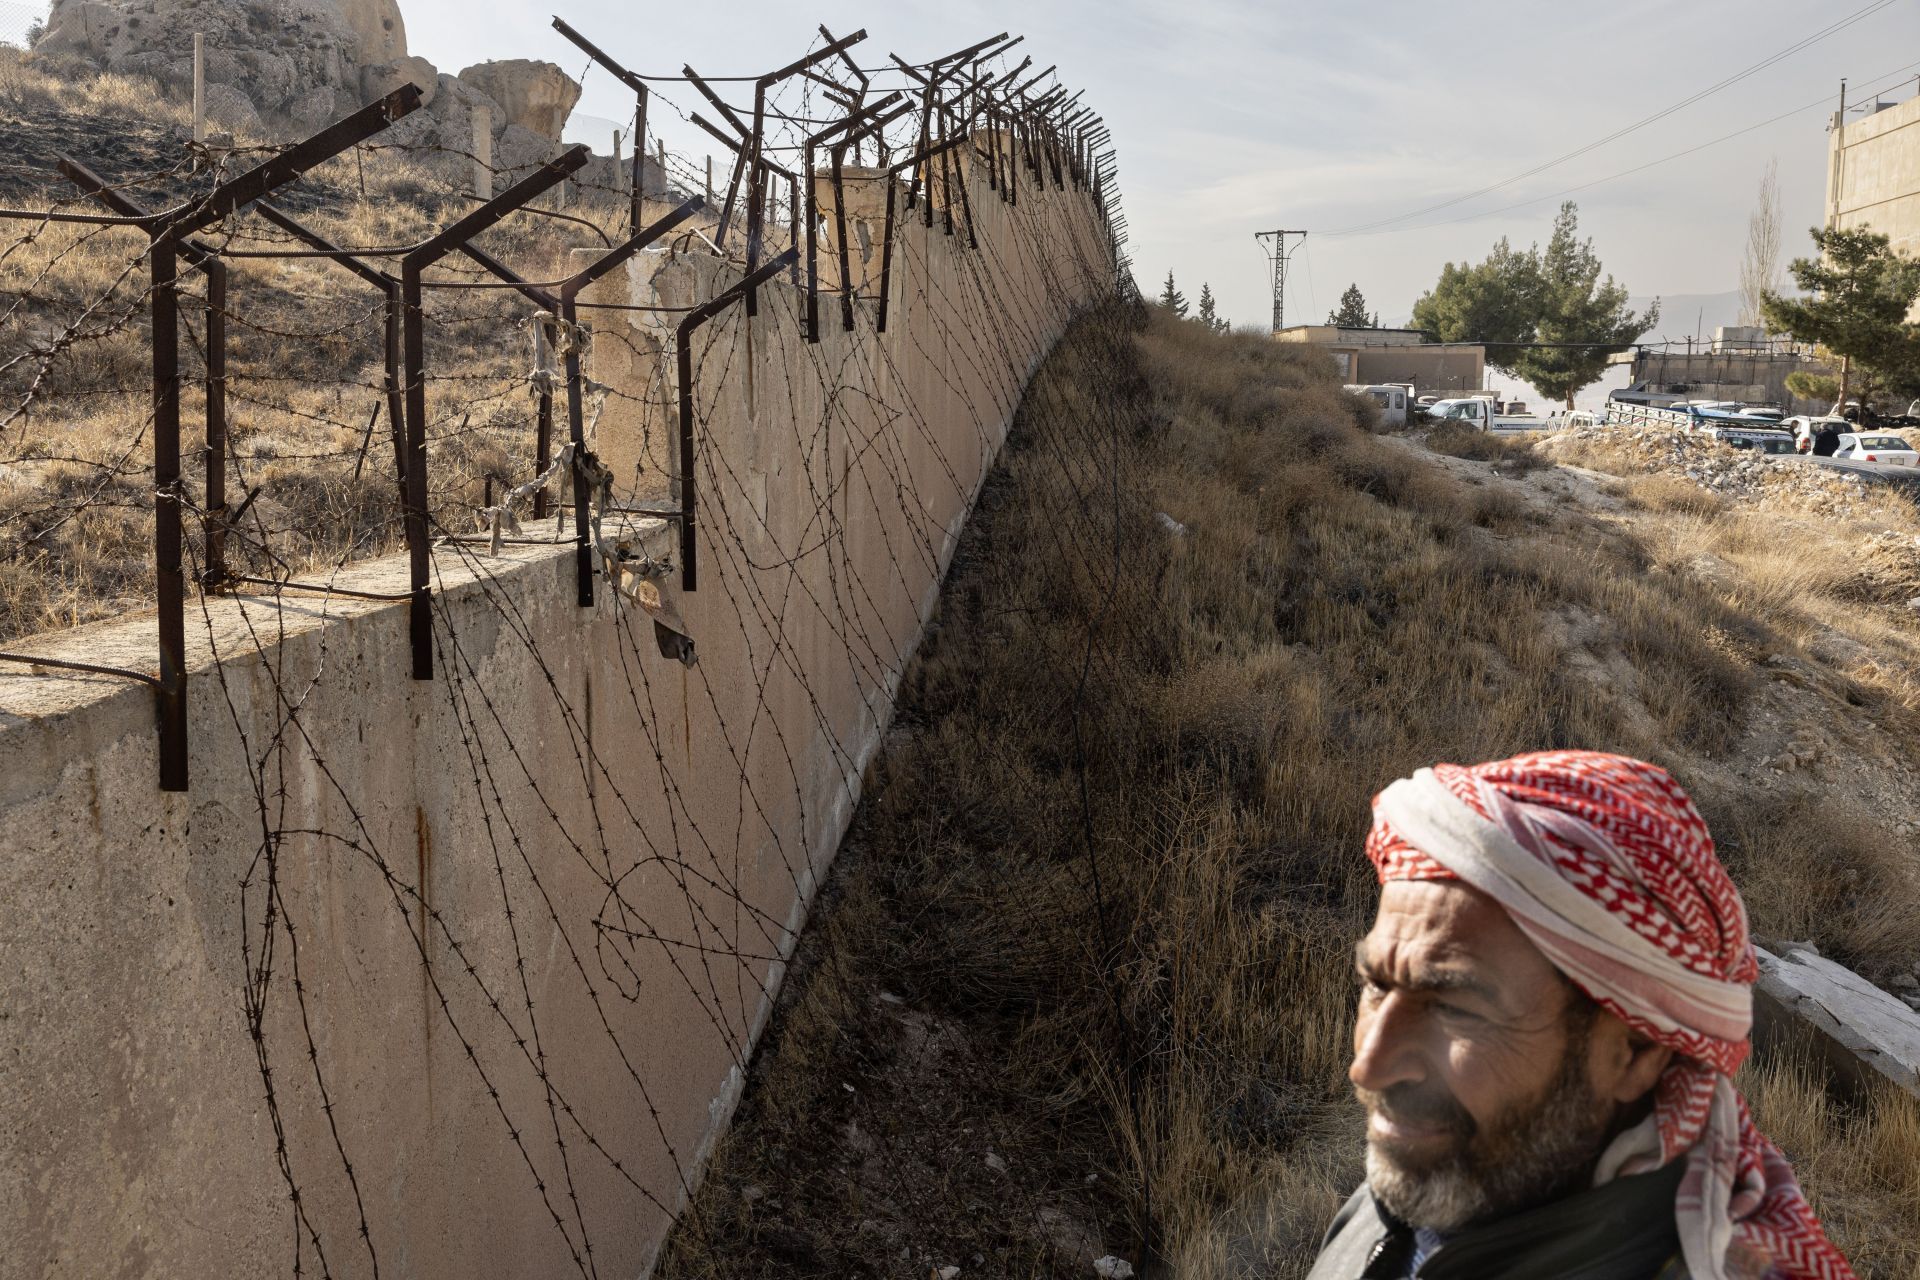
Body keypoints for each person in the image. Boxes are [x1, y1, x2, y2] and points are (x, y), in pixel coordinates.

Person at [1307, 751, 1853, 1280]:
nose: (1369, 1067)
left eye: (1454, 1009)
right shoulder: (1422, 1184)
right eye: (1376, 985)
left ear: (1635, 1052)